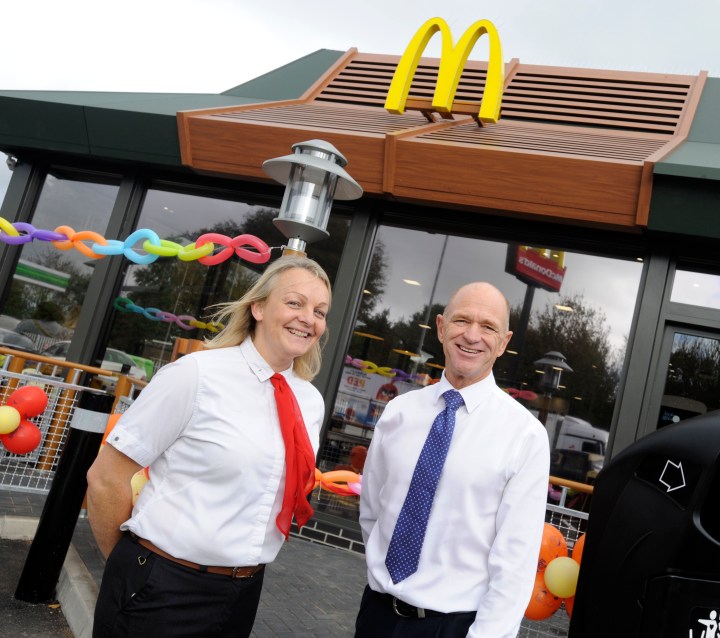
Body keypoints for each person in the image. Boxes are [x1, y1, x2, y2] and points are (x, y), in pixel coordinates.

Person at [85, 254, 331, 638]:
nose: (308, 318)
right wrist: (130, 568)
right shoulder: (196, 375)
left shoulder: (310, 401)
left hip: (243, 593)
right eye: (295, 302)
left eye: (320, 311)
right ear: (259, 307)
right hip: (162, 589)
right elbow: (105, 478)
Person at [356, 282, 551, 638]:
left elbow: (515, 563)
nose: (472, 335)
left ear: (504, 342)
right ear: (442, 328)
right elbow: (373, 512)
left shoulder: (525, 436)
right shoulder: (399, 412)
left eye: (488, 326)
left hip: (457, 626)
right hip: (377, 615)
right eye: (462, 321)